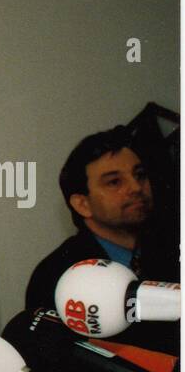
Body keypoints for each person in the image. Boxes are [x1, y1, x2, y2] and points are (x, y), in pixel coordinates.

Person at [25, 125, 179, 355]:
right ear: (82, 204)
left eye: (139, 175)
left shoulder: (172, 246)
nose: (136, 188)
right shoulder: (57, 275)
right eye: (114, 182)